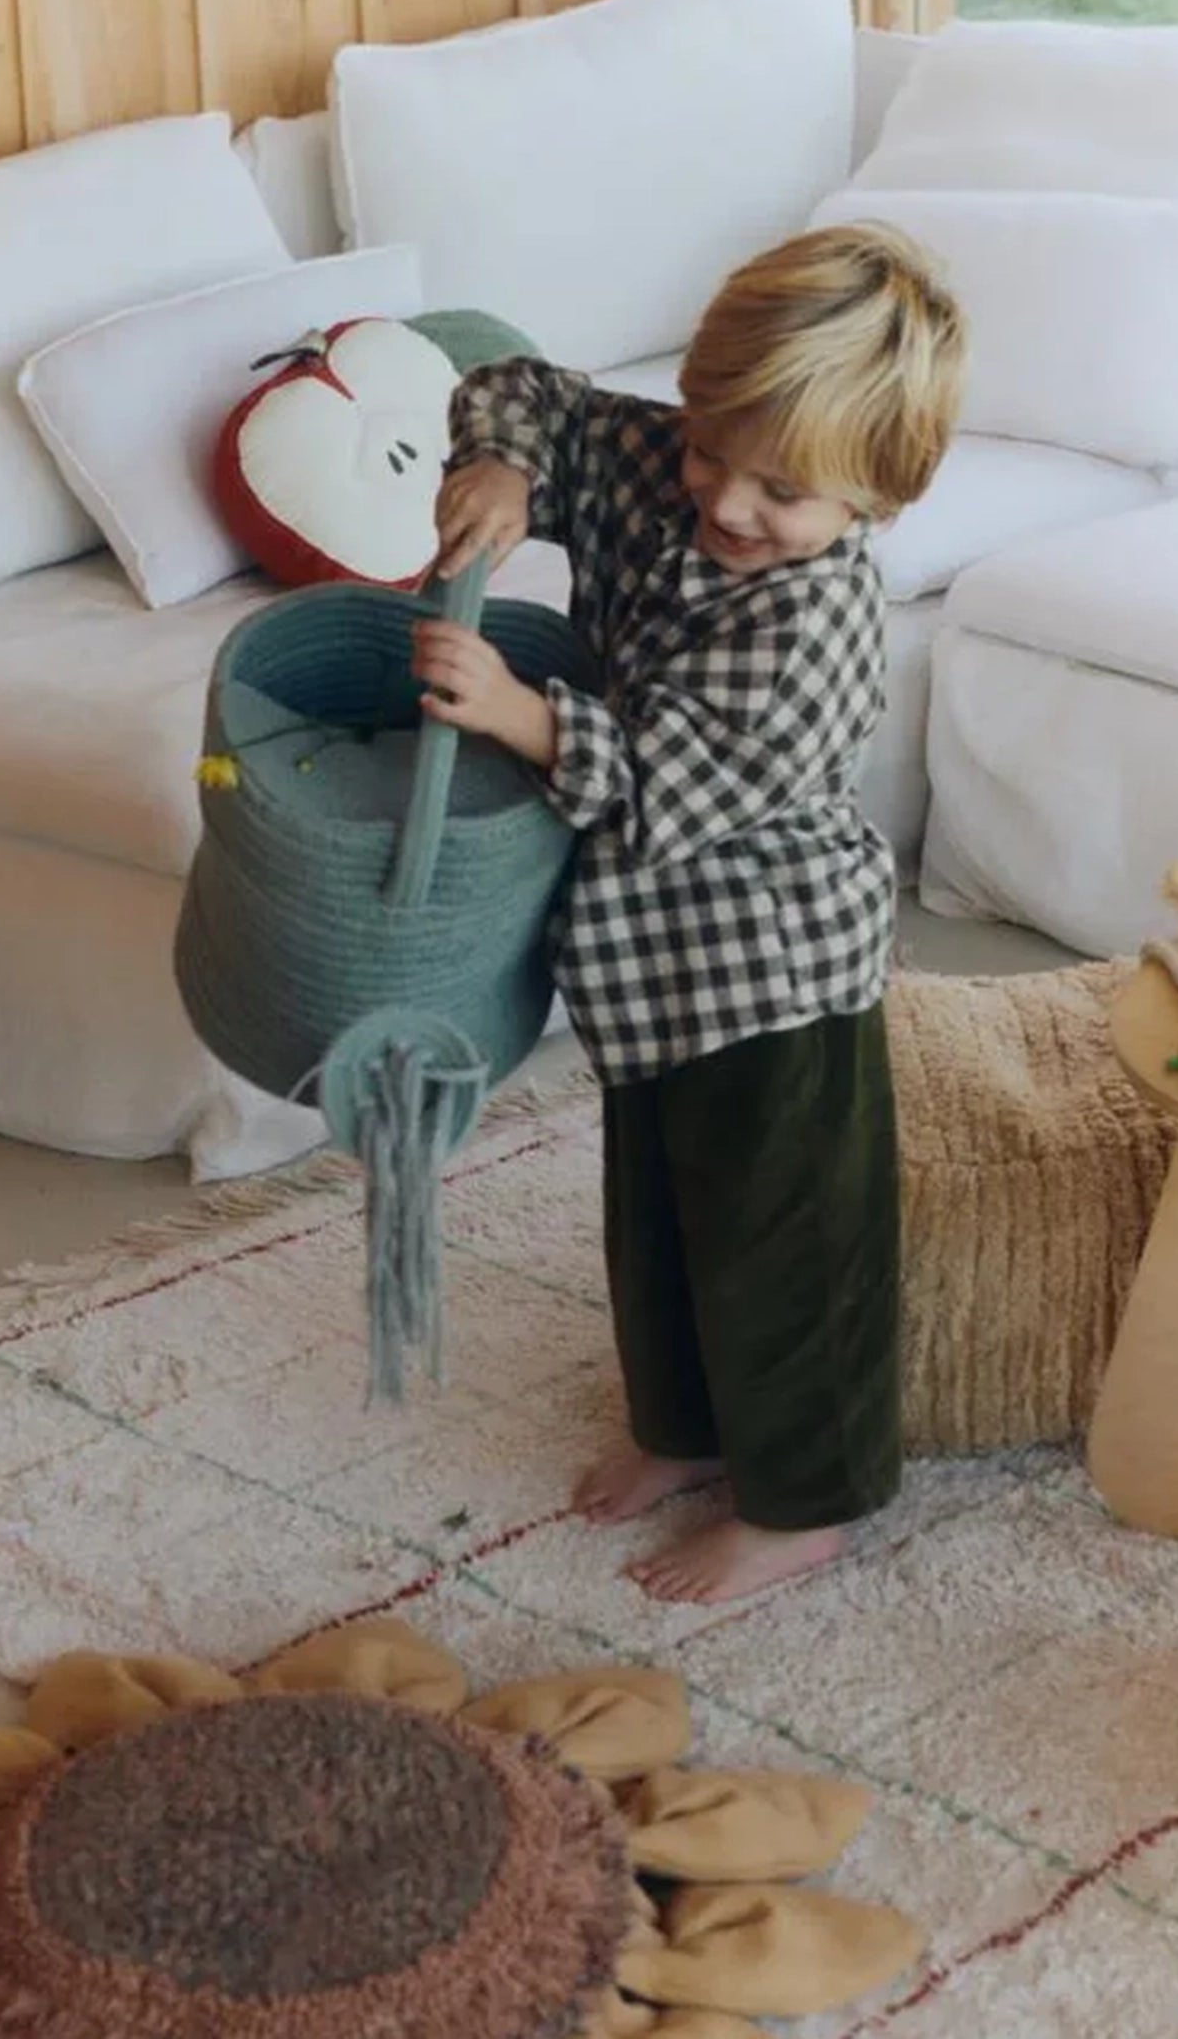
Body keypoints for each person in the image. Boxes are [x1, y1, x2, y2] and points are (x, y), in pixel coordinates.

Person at [413, 224, 966, 1604]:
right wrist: (501, 464)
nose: (725, 500)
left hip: (773, 969)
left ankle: (806, 1498)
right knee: (656, 1217)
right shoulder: (663, 463)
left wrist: (520, 716)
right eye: (712, 449)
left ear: (877, 501)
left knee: (786, 1243)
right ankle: (682, 1424)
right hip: (644, 966)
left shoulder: (816, 623)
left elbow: (679, 781)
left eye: (782, 490)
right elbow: (523, 384)